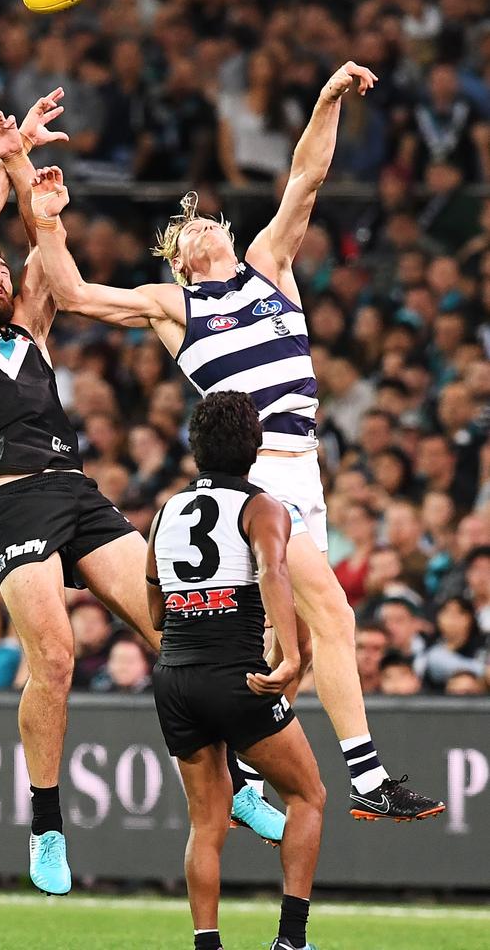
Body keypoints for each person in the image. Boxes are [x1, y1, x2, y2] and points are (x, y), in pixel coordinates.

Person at [26, 61, 445, 821]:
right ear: (182, 257)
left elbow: (306, 180)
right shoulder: (173, 303)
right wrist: (47, 217)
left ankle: (250, 776)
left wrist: (323, 101)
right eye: (188, 227)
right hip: (259, 488)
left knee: (307, 648)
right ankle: (369, 779)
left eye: (205, 216)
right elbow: (77, 294)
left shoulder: (268, 266)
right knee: (335, 617)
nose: (204, 220)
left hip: (307, 474)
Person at [0, 90, 161, 897]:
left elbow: (42, 247)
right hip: (11, 501)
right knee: (53, 657)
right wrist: (1, 164)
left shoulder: (30, 330)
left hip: (77, 490)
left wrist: (25, 162)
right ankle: (48, 824)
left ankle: (240, 774)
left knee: (178, 626)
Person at [147, 392, 324, 950]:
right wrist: (291, 653)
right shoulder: (262, 505)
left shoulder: (166, 510)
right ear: (255, 446)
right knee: (308, 796)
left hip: (175, 678)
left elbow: (154, 608)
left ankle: (207, 944)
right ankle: (290, 940)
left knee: (207, 823)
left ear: (195, 448)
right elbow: (273, 569)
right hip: (235, 676)